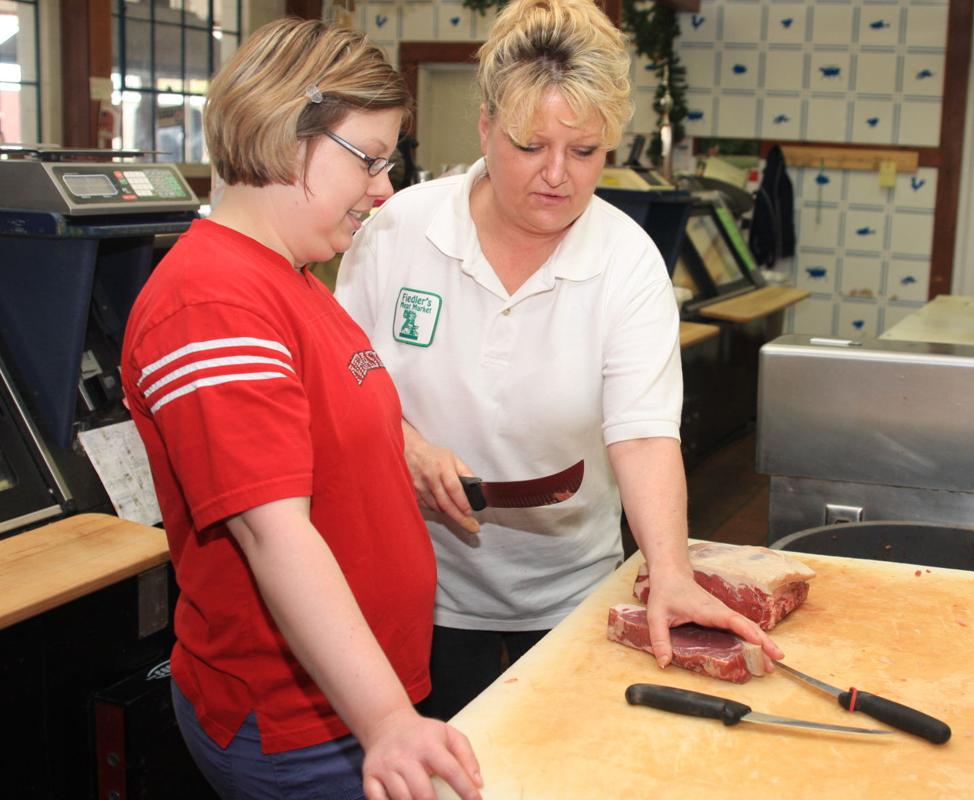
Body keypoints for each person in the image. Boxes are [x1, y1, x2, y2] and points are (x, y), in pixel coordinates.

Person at [335, 0, 782, 721]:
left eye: (584, 152)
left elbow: (641, 433)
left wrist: (670, 572)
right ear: (485, 125)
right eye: (530, 144)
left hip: (568, 592)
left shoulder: (627, 262)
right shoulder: (399, 230)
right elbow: (342, 381)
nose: (557, 176)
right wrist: (405, 446)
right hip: (416, 587)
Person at [120, 18, 482, 800]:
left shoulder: (290, 275)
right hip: (299, 722)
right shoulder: (212, 302)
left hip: (350, 700)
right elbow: (271, 529)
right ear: (290, 138)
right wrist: (386, 718)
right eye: (371, 161)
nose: (384, 189)